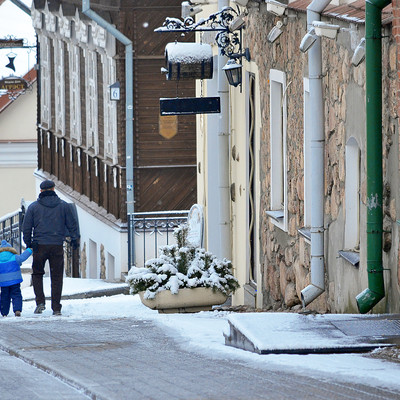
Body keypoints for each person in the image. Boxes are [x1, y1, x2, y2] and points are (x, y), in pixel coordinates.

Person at [22, 180, 80, 316]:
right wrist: (74, 239)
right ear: (54, 189)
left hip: (39, 246)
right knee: (57, 276)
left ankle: (40, 302)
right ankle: (56, 307)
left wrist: (29, 243)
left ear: (41, 191)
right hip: (57, 245)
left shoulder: (33, 207)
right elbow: (72, 225)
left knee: (37, 274)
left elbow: (26, 227)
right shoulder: (64, 206)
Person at [0, 239, 32, 317]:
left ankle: (4, 312)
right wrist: (29, 249)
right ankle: (17, 310)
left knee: (4, 297)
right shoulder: (14, 257)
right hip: (15, 281)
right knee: (16, 295)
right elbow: (23, 257)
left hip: (3, 283)